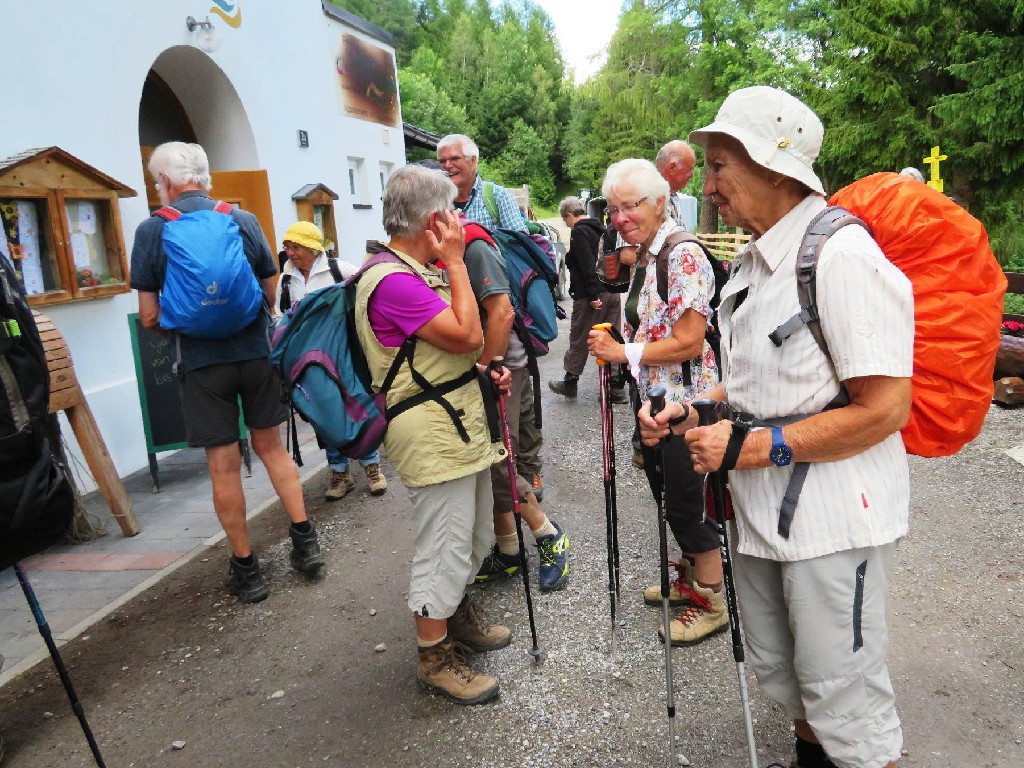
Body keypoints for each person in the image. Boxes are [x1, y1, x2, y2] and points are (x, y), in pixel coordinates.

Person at [640, 86, 913, 768]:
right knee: (789, 679)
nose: (708, 186)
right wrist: (697, 409)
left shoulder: (842, 256)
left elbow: (885, 407)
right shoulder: (758, 260)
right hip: (763, 517)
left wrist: (756, 446)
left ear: (774, 166)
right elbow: (761, 374)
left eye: (720, 165)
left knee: (844, 699)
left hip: (831, 524)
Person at [130, 142, 323, 604]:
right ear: (205, 177)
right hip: (255, 355)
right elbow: (270, 292)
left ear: (166, 182)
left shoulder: (153, 230)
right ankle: (306, 543)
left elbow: (149, 315)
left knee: (223, 465)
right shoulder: (243, 219)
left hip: (201, 364)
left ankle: (247, 570)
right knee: (272, 448)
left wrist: (189, 325)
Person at [354, 164, 511, 705]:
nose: (458, 220)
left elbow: (452, 351)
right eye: (450, 211)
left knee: (472, 539)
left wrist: (483, 369)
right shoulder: (394, 281)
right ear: (430, 219)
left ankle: (454, 620)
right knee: (443, 544)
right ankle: (434, 659)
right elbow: (468, 334)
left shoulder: (409, 270)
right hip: (430, 429)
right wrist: (454, 260)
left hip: (454, 417)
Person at [587, 158, 726, 646]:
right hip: (657, 400)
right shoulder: (647, 253)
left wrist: (621, 351)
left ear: (661, 202)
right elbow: (656, 324)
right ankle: (691, 579)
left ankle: (712, 599)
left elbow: (690, 341)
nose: (620, 218)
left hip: (687, 406)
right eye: (614, 209)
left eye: (630, 207)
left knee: (687, 504)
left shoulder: (681, 254)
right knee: (668, 496)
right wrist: (619, 323)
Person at [458, 213, 571, 592]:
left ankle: (547, 533)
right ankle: (508, 549)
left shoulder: (472, 246)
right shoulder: (455, 243)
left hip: (502, 365)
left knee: (496, 460)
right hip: (490, 365)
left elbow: (502, 312)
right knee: (493, 458)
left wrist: (487, 367)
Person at [437, 133, 546, 500]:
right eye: (443, 161)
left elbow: (518, 248)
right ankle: (525, 473)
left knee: (516, 408)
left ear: (473, 161)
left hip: (505, 308)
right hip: (481, 316)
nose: (448, 166)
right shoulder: (442, 203)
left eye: (455, 159)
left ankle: (525, 478)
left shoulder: (495, 196)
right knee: (520, 399)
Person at [273, 220, 388, 500]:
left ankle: (372, 466)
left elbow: (366, 301)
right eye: (287, 247)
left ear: (312, 248)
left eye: (295, 246)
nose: (290, 252)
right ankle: (339, 473)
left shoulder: (340, 270)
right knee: (324, 411)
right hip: (309, 361)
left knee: (354, 401)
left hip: (342, 352)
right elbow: (280, 318)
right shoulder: (286, 280)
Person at [548, 196, 626, 404]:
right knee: (612, 336)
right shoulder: (602, 228)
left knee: (581, 335)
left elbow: (586, 264)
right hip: (613, 291)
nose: (567, 224)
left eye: (566, 221)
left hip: (592, 294)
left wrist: (592, 295)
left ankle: (570, 381)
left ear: (569, 215)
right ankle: (616, 388)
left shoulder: (580, 231)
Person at [654, 140, 698, 226]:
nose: (691, 175)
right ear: (672, 168)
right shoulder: (651, 200)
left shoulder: (672, 196)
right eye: (689, 169)